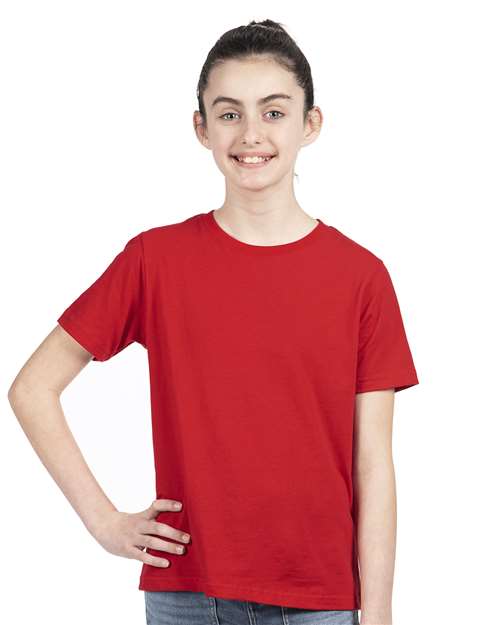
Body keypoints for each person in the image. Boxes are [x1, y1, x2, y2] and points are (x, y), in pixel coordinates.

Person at [7, 18, 419, 625]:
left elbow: (373, 464)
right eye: (229, 114)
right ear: (201, 128)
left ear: (310, 123)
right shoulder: (155, 260)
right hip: (187, 596)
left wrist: (378, 613)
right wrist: (105, 522)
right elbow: (32, 388)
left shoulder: (362, 277)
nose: (251, 134)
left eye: (273, 112)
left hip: (320, 600)